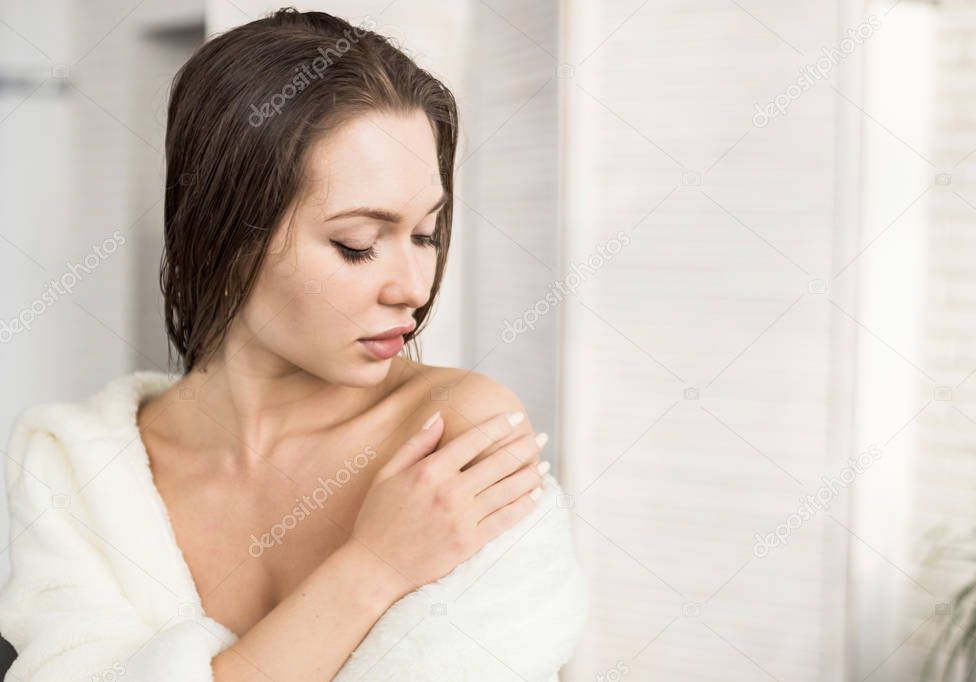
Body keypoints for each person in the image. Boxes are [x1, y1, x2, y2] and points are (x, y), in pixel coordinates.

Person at [0, 8, 588, 681]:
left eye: (425, 234)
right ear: (223, 231)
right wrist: (374, 567)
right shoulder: (75, 467)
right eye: (357, 245)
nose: (413, 288)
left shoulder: (459, 437)